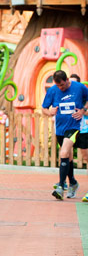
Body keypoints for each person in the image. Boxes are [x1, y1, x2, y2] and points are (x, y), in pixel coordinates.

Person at [42, 70, 88, 200]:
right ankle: (73, 182)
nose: (60, 88)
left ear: (67, 80)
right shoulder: (52, 90)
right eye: (58, 86)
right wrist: (49, 112)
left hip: (74, 127)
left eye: (62, 85)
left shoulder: (79, 87)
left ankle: (61, 187)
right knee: (67, 157)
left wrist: (83, 110)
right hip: (60, 130)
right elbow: (44, 108)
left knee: (63, 153)